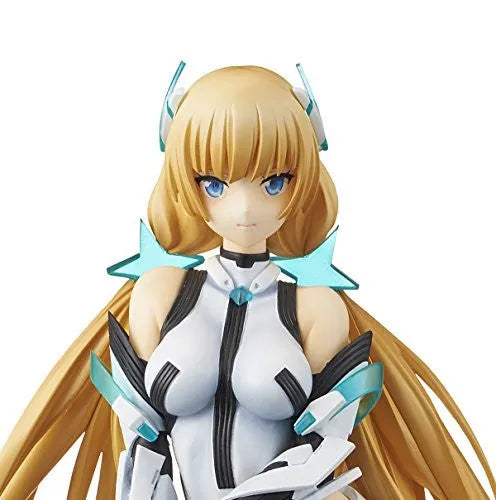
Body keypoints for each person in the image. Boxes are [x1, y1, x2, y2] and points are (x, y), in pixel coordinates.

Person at [0, 64, 494, 500]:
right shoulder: (162, 293)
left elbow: (326, 445)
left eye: (273, 182)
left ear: (302, 182)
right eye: (214, 184)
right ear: (185, 183)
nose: (243, 208)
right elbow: (139, 436)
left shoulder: (314, 307)